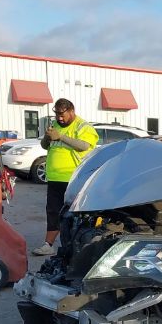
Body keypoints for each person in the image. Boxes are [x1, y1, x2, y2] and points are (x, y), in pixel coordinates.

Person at [31, 98, 99, 256]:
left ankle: (78, 246)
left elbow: (84, 146)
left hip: (74, 178)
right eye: (57, 115)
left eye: (62, 115)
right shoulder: (55, 125)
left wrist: (60, 137)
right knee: (53, 211)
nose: (59, 118)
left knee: (76, 213)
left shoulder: (83, 126)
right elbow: (44, 145)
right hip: (55, 178)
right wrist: (48, 137)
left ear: (71, 111)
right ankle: (48, 245)